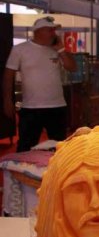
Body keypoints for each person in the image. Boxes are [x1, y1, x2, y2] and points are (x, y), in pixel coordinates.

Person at [3, 16, 76, 152]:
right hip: (31, 107)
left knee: (59, 147)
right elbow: (8, 75)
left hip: (57, 106)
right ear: (38, 31)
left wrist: (61, 50)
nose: (53, 33)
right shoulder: (20, 49)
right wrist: (7, 99)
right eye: (50, 30)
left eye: (54, 30)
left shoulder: (56, 49)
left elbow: (72, 67)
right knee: (26, 147)